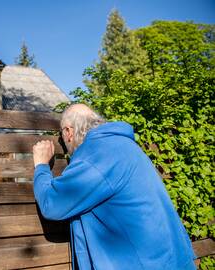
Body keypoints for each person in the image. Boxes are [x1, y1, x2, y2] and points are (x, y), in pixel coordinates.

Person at [32, 104, 196, 270]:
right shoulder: (123, 145)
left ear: (68, 132)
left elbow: (52, 203)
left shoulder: (97, 155)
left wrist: (41, 165)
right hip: (170, 259)